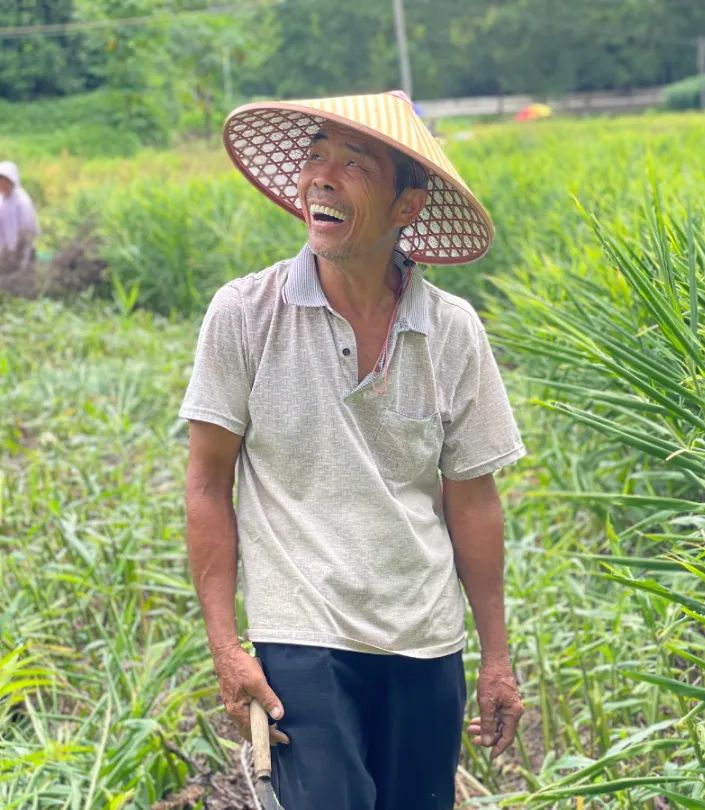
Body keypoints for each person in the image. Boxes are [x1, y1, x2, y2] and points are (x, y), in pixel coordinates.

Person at [181, 90, 526, 809]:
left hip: (424, 635)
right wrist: (226, 645)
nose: (321, 179)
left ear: (407, 207)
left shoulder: (453, 332)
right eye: (314, 158)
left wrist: (496, 658)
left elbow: (473, 500)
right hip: (301, 631)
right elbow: (208, 485)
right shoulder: (245, 314)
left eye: (353, 164)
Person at [0, 161, 39, 274]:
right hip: (6, 253)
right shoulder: (1, 201)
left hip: (22, 251)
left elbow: (28, 230)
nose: (2, 185)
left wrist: (22, 254)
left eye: (5, 181)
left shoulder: (22, 201)